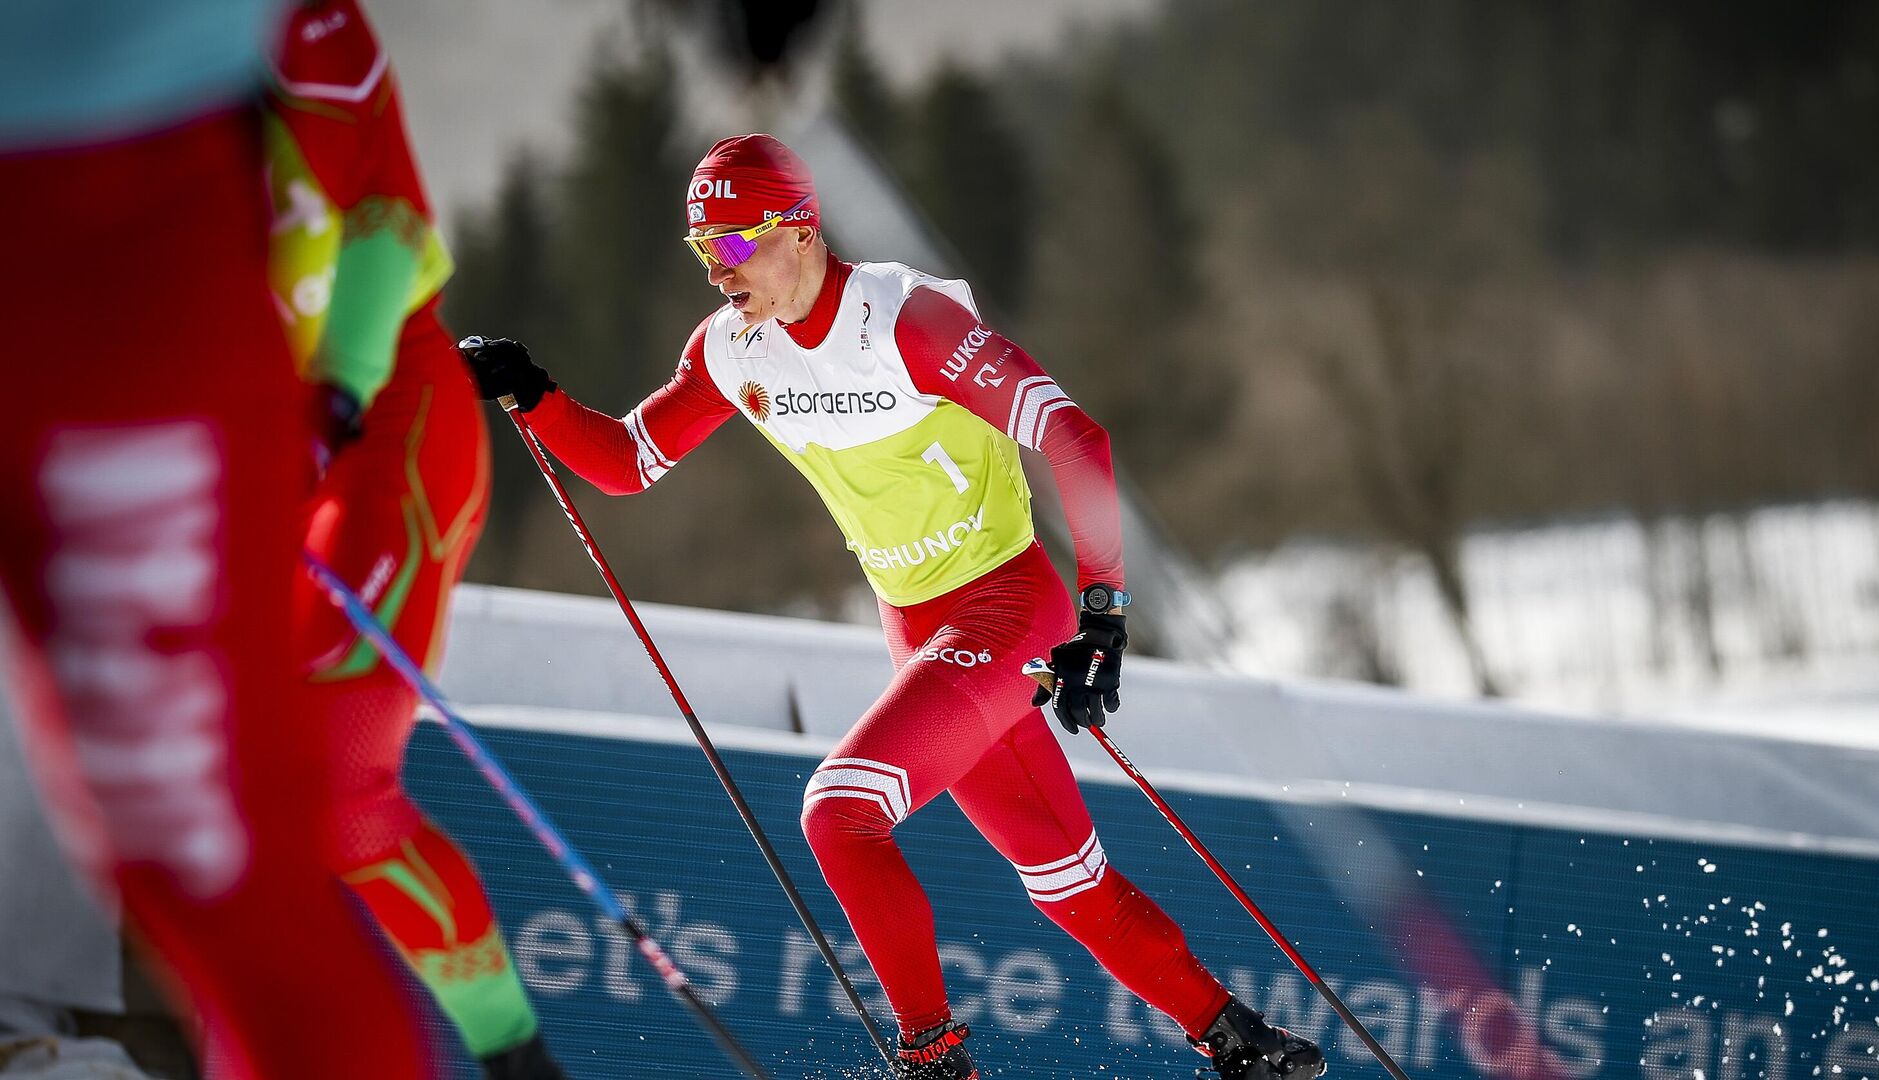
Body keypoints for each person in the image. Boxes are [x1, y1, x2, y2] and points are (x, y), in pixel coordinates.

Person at [459, 133, 1327, 1080]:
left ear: (799, 228)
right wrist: (530, 392)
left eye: (735, 247)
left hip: (1006, 606)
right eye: (701, 253)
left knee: (839, 812)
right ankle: (1242, 1044)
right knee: (1067, 882)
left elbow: (1078, 440)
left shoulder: (904, 320)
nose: (719, 273)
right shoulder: (730, 350)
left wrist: (1104, 616)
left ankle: (932, 1057)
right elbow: (628, 462)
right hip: (917, 630)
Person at [0, 3, 438, 1077]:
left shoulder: (325, 51)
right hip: (108, 216)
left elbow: (397, 229)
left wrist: (336, 394)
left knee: (209, 866)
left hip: (98, 214)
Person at [266, 3, 566, 1077]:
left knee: (334, 788)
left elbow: (392, 224)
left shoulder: (301, 33)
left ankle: (514, 1061)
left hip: (385, 419)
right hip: (241, 452)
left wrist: (334, 398)